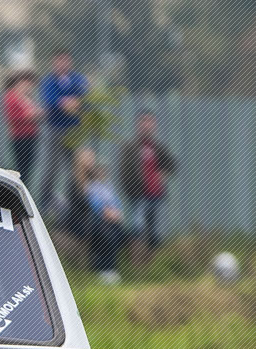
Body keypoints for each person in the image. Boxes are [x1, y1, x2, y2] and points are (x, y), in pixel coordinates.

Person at [36, 52, 88, 216]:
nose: (62, 64)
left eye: (65, 61)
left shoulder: (77, 79)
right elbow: (49, 100)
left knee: (75, 170)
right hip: (55, 129)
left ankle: (73, 207)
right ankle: (44, 205)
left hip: (74, 130)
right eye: (59, 61)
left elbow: (85, 97)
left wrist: (72, 102)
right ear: (54, 62)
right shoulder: (49, 81)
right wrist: (65, 102)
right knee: (51, 168)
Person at [118, 110, 177, 251]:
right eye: (143, 121)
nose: (146, 125)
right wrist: (131, 190)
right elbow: (123, 171)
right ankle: (135, 260)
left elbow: (173, 165)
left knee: (154, 233)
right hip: (138, 196)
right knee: (137, 229)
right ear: (138, 124)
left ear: (154, 125)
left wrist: (162, 174)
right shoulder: (131, 147)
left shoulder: (158, 147)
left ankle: (153, 261)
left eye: (150, 121)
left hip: (156, 195)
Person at [71, 151, 127, 283]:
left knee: (119, 234)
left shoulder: (103, 183)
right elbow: (89, 204)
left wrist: (116, 213)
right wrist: (105, 212)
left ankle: (110, 267)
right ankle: (104, 269)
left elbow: (113, 201)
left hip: (104, 220)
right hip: (88, 220)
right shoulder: (83, 184)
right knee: (107, 235)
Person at [2, 71, 41, 181]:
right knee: (22, 167)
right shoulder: (11, 96)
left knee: (27, 168)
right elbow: (13, 116)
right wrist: (30, 115)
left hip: (30, 135)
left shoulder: (26, 97)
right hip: (20, 136)